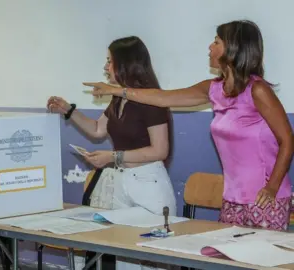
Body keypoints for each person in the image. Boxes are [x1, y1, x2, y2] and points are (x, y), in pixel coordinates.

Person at [84, 20, 293, 231]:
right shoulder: (213, 88)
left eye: (216, 42)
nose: (210, 47)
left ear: (233, 48)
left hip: (265, 199)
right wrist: (116, 90)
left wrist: (272, 187)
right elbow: (163, 98)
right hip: (232, 198)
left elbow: (287, 139)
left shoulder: (257, 90)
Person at [48, 36, 177, 270]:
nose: (106, 68)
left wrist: (113, 157)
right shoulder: (118, 99)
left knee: (148, 262)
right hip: (121, 182)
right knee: (119, 259)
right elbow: (98, 130)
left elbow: (160, 150)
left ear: (126, 64)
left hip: (149, 184)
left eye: (110, 61)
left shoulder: (152, 99)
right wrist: (68, 110)